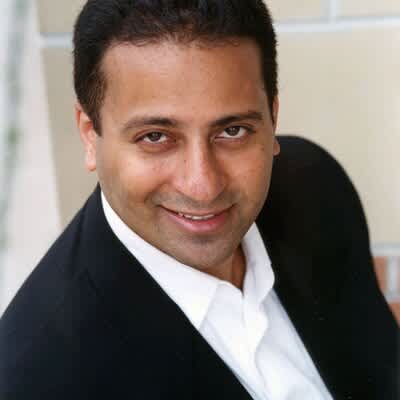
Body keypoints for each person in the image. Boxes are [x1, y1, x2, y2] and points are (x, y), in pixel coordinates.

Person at [0, 1, 398, 399]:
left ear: (272, 118)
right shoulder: (37, 379)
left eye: (233, 131)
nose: (202, 186)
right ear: (90, 135)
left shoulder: (315, 187)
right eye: (155, 137)